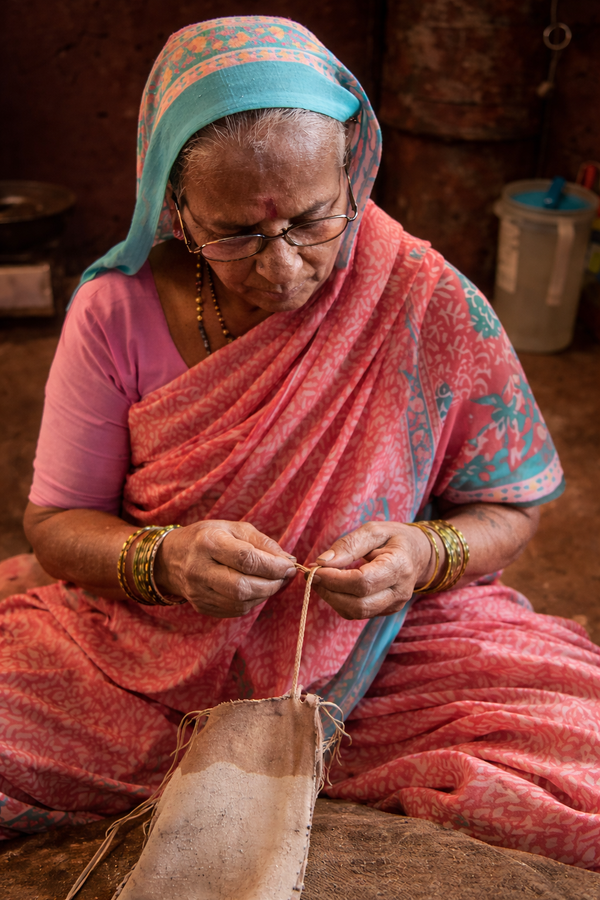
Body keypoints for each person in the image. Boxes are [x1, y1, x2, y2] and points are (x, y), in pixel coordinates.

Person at [1, 15, 599, 869]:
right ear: (174, 204)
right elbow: (59, 523)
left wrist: (422, 555)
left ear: (355, 172)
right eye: (237, 233)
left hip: (391, 649)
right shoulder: (115, 311)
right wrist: (165, 561)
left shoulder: (421, 296)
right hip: (139, 653)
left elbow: (510, 502)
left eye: (315, 221)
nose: (282, 269)